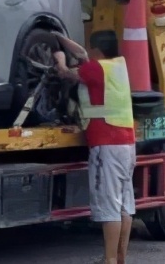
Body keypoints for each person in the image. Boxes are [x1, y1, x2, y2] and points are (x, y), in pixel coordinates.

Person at [53, 30, 136, 264]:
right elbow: (80, 53)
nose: (86, 52)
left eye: (90, 49)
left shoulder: (95, 69)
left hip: (106, 145)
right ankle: (119, 258)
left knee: (109, 205)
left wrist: (59, 57)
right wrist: (60, 36)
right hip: (126, 144)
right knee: (124, 204)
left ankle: (109, 260)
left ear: (97, 51)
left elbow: (65, 73)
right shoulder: (116, 67)